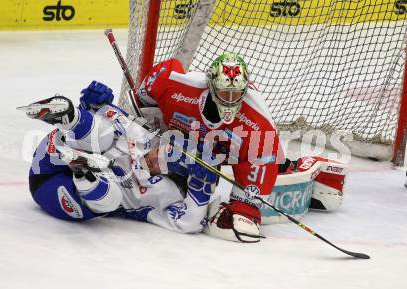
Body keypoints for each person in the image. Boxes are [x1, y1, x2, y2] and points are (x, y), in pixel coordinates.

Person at [114, 54, 281, 242]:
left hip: (222, 154)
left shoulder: (259, 124)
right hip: (177, 139)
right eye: (225, 93)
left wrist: (246, 207)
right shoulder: (174, 83)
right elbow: (141, 107)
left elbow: (261, 164)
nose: (231, 100)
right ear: (210, 85)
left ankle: (290, 167)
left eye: (237, 93)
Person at [21, 86, 217, 234]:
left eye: (161, 164)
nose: (153, 159)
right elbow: (98, 111)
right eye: (159, 152)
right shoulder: (142, 134)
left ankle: (84, 171)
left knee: (111, 198)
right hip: (51, 158)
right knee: (104, 135)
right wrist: (94, 99)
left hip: (61, 193)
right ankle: (69, 115)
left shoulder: (169, 195)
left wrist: (201, 190)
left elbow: (190, 223)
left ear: (174, 174)